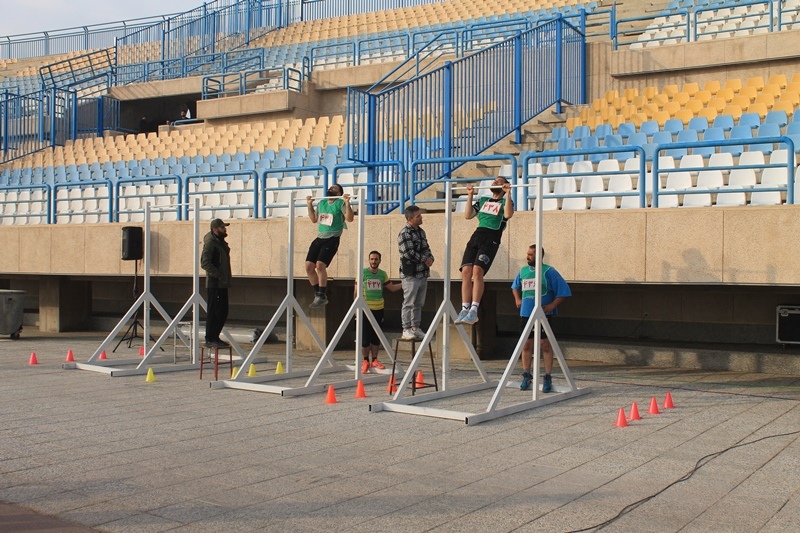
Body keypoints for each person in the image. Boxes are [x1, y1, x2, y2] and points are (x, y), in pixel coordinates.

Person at [511, 244, 571, 393]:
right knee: (526, 345)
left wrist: (552, 305)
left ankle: (548, 376)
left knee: (545, 344)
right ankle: (526, 374)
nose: (528, 256)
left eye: (531, 254)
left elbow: (564, 291)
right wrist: (517, 299)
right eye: (527, 253)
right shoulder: (523, 271)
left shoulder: (549, 272)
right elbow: (515, 286)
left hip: (544, 314)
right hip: (526, 313)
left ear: (539, 256)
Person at [455, 176, 514, 325]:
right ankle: (464, 308)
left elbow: (508, 215)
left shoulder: (505, 202)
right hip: (477, 235)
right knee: (466, 271)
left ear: (504, 185)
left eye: (498, 181)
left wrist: (508, 194)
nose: (494, 182)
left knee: (477, 271)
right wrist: (470, 195)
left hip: (491, 237)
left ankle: (474, 310)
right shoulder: (483, 201)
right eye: (494, 181)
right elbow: (467, 215)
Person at [305, 183, 354, 308]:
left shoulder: (340, 203)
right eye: (330, 187)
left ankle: (321, 294)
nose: (330, 189)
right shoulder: (322, 203)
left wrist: (347, 203)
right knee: (309, 266)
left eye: (334, 188)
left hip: (332, 238)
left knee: (320, 265)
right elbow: (313, 219)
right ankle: (318, 294)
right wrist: (309, 205)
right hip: (319, 238)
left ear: (339, 193)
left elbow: (350, 219)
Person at [355, 250, 402, 374]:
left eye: (376, 259)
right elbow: (356, 291)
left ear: (379, 261)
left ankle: (375, 360)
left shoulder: (382, 274)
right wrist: (356, 307)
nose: (374, 261)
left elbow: (391, 288)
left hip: (379, 309)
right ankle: (365, 361)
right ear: (369, 260)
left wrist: (406, 284)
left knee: (376, 337)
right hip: (365, 309)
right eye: (372, 259)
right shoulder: (363, 273)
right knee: (365, 338)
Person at [397, 205, 434, 340]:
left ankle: (415, 327)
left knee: (419, 303)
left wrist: (430, 258)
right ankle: (406, 328)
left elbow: (426, 247)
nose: (421, 217)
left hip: (422, 273)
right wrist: (425, 259)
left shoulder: (421, 232)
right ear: (410, 218)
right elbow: (408, 253)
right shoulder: (405, 233)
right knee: (408, 302)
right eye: (418, 216)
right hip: (411, 274)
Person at [201, 218, 232, 348]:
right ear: (215, 229)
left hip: (222, 283)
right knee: (214, 311)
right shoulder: (210, 243)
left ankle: (215, 336)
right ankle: (210, 337)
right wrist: (218, 275)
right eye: (222, 227)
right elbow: (205, 262)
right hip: (215, 283)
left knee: (223, 310)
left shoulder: (220, 243)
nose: (224, 229)